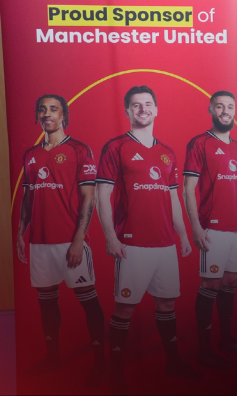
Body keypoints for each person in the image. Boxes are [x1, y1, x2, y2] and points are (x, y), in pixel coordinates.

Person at [97, 85, 202, 392]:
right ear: (127, 111)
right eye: (136, 105)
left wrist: (182, 235)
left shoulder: (167, 152)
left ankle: (173, 363)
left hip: (165, 244)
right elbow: (103, 194)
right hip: (132, 244)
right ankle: (116, 373)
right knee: (125, 308)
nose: (142, 109)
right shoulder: (115, 147)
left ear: (156, 109)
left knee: (167, 303)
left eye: (147, 104)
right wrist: (110, 237)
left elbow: (173, 198)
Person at [17, 94, 107, 385]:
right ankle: (52, 357)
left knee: (88, 300)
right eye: (42, 109)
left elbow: (88, 198)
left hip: (69, 241)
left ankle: (101, 362)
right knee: (47, 301)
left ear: (63, 116)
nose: (47, 114)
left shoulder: (79, 150)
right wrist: (21, 233)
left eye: (53, 109)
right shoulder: (30, 154)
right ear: (37, 116)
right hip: (39, 241)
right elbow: (28, 198)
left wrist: (78, 240)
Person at [183, 91, 237, 371]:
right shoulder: (200, 143)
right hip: (212, 228)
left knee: (231, 281)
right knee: (210, 284)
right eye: (219, 106)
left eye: (230, 107)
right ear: (211, 110)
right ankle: (204, 351)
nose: (225, 111)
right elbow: (188, 188)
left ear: (235, 111)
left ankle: (226, 340)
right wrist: (195, 226)